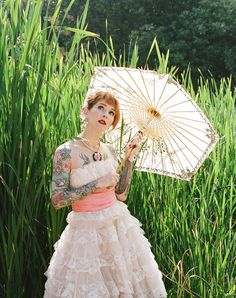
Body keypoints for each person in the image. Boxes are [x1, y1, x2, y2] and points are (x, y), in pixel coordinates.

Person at [44, 91, 167, 297]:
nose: (106, 115)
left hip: (118, 228)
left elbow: (121, 195)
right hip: (85, 232)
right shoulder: (65, 151)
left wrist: (128, 159)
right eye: (101, 107)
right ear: (86, 110)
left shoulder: (109, 149)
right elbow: (57, 200)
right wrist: (95, 184)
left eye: (111, 113)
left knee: (124, 287)